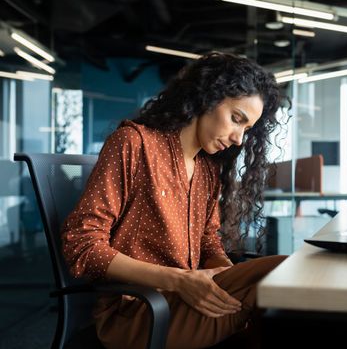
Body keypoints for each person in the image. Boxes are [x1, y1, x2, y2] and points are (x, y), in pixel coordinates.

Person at [61, 52, 287, 349]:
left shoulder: (207, 168)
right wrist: (179, 280)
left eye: (246, 129)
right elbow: (81, 244)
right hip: (138, 312)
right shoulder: (134, 143)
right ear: (208, 96)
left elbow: (208, 242)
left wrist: (222, 273)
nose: (238, 139)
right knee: (280, 274)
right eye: (236, 119)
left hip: (182, 302)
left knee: (283, 290)